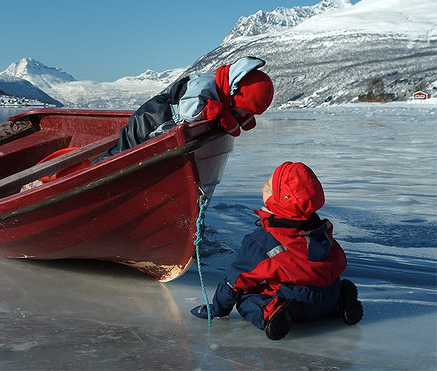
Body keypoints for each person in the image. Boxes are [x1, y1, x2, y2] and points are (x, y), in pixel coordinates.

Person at [190, 161, 363, 340]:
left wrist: (218, 308)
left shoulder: (262, 241)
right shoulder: (321, 230)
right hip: (329, 295)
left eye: (268, 185)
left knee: (246, 298)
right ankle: (342, 301)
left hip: (299, 303)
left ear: (280, 200)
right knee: (320, 285)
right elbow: (337, 261)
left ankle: (273, 312)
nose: (263, 186)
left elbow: (237, 280)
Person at [93, 56, 274, 163]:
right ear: (235, 93)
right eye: (243, 110)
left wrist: (234, 115)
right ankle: (94, 170)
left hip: (167, 122)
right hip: (153, 119)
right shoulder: (205, 85)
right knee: (125, 152)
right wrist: (216, 112)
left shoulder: (225, 91)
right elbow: (189, 110)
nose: (243, 115)